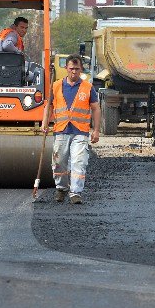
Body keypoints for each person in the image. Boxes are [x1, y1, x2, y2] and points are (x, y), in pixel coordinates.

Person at [42, 54, 101, 205]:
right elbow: (49, 106)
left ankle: (75, 192)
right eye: (71, 69)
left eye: (77, 69)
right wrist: (44, 123)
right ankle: (61, 188)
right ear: (66, 68)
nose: (74, 72)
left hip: (80, 131)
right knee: (59, 161)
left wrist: (96, 130)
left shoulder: (87, 87)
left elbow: (95, 108)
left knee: (78, 162)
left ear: (81, 69)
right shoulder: (55, 86)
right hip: (61, 130)